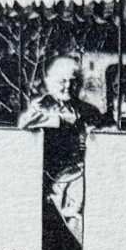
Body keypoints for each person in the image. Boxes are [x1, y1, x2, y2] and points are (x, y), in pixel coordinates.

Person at [18, 55, 106, 240]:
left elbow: (108, 130)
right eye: (62, 81)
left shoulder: (88, 110)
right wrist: (59, 121)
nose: (68, 86)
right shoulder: (43, 105)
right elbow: (24, 123)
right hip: (59, 175)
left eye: (73, 82)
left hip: (92, 168)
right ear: (49, 83)